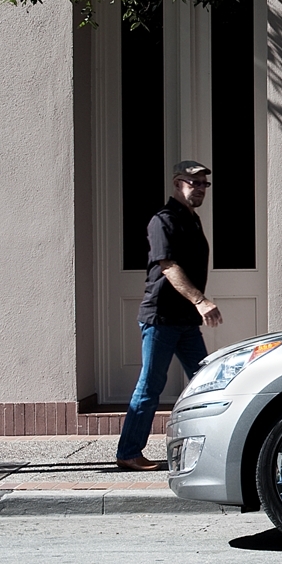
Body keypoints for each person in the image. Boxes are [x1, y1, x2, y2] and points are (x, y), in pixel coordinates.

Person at [115, 160, 224, 471]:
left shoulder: (192, 219)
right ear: (178, 184)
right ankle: (128, 452)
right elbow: (168, 266)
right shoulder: (163, 220)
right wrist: (201, 301)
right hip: (161, 318)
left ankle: (213, 449)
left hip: (185, 321)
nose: (201, 188)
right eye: (194, 183)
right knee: (150, 386)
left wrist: (195, 307)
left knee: (207, 382)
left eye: (204, 184)